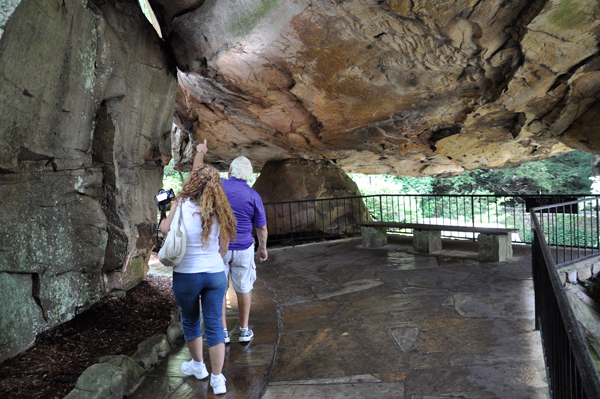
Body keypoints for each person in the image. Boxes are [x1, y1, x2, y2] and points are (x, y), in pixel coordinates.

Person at [160, 144, 236, 395]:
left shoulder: (180, 204)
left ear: (194, 182)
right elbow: (224, 247)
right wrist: (212, 259)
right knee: (214, 325)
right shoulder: (220, 209)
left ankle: (198, 366)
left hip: (187, 275)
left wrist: (164, 210)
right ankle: (218, 379)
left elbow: (164, 230)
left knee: (191, 321)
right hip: (215, 274)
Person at [192, 141, 268, 344]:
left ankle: (223, 332)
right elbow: (261, 227)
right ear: (249, 175)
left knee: (219, 289)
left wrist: (200, 152)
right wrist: (262, 248)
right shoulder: (254, 195)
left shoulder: (220, 187)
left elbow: (198, 175)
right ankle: (244, 330)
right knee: (244, 288)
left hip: (219, 248)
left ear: (231, 171)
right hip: (244, 248)